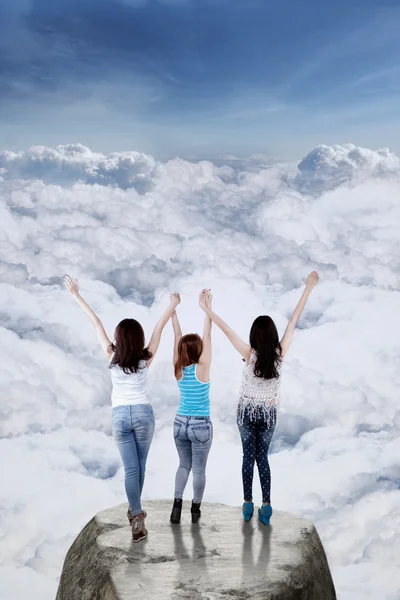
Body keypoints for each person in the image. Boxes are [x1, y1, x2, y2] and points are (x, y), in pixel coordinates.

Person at [63, 274, 180, 542]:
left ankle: (136, 514)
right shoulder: (144, 359)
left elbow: (96, 323)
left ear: (118, 339)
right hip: (143, 415)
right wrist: (172, 305)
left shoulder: (112, 357)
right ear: (137, 339)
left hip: (120, 417)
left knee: (130, 469)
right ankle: (135, 513)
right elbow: (159, 330)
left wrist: (76, 295)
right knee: (140, 468)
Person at [199, 272, 319, 525]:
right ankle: (266, 505)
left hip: (245, 414)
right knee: (262, 457)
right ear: (273, 337)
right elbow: (294, 321)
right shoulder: (280, 354)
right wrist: (308, 288)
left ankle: (247, 504)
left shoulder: (248, 352)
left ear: (254, 336)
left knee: (247, 457)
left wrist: (206, 309)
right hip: (268, 415)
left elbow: (225, 329)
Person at [170, 289, 213, 525]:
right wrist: (206, 308)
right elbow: (208, 334)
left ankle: (176, 506)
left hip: (179, 423)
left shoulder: (177, 369)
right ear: (199, 351)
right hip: (200, 424)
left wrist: (173, 310)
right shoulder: (202, 369)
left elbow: (177, 336)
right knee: (199, 470)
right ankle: (195, 510)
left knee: (183, 465)